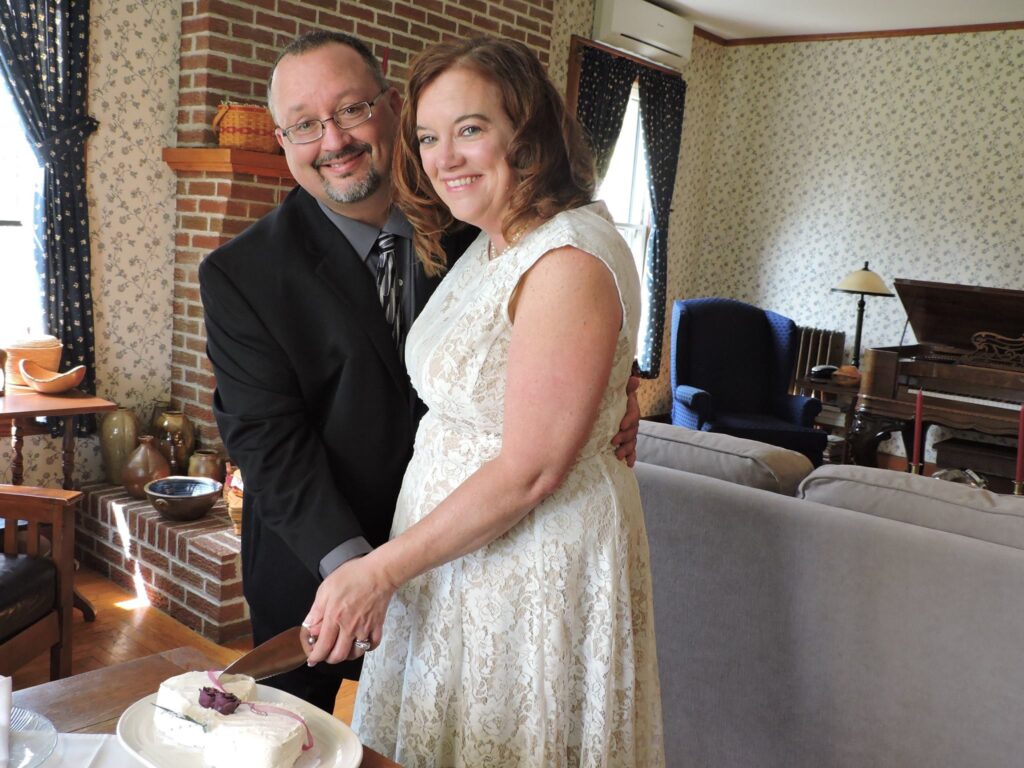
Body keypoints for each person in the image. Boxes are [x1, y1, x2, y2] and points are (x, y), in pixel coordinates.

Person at [198, 31, 640, 714]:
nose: (334, 140)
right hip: (318, 564)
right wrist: (356, 571)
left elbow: (565, 311)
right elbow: (267, 443)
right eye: (306, 125)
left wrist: (609, 392)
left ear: (393, 108)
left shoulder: (477, 211)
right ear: (284, 144)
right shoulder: (241, 274)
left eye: (351, 110)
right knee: (288, 742)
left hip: (487, 557)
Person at [302, 37, 665, 766]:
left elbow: (531, 467)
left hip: (531, 564)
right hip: (454, 557)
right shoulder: (493, 235)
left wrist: (379, 571)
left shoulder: (565, 254)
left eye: (470, 129)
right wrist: (618, 391)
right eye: (430, 138)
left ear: (527, 131)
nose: (445, 158)